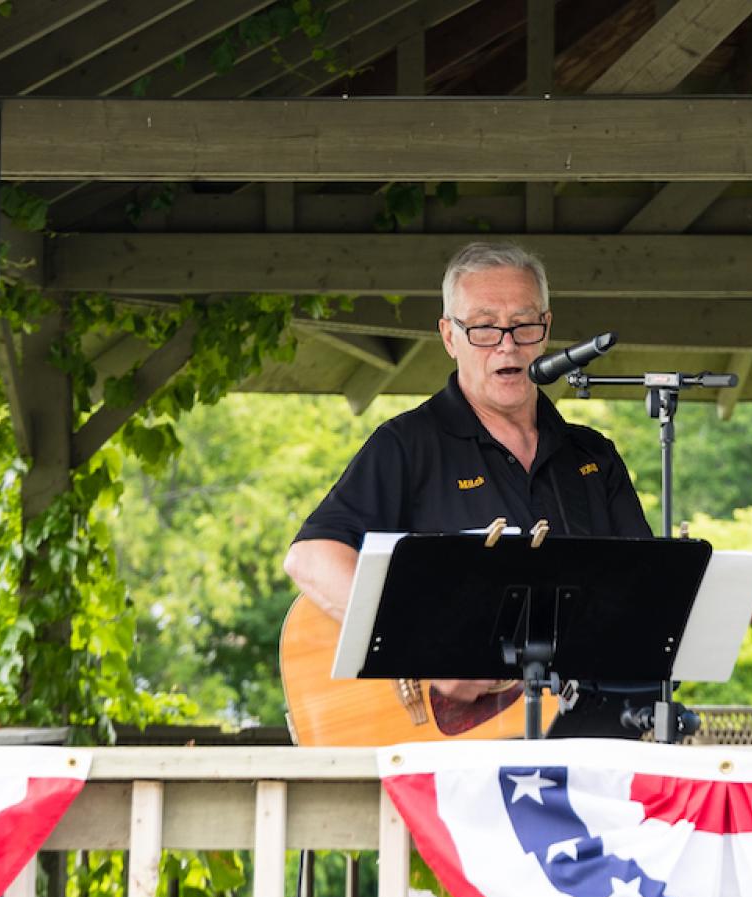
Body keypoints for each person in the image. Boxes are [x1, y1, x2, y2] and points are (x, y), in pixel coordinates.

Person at [288, 241, 711, 734]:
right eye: (484, 327)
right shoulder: (408, 444)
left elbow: (643, 607)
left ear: (547, 329)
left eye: (523, 325)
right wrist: (427, 652)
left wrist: (708, 606)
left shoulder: (593, 457)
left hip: (586, 747)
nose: (507, 344)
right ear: (449, 335)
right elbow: (311, 557)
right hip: (454, 766)